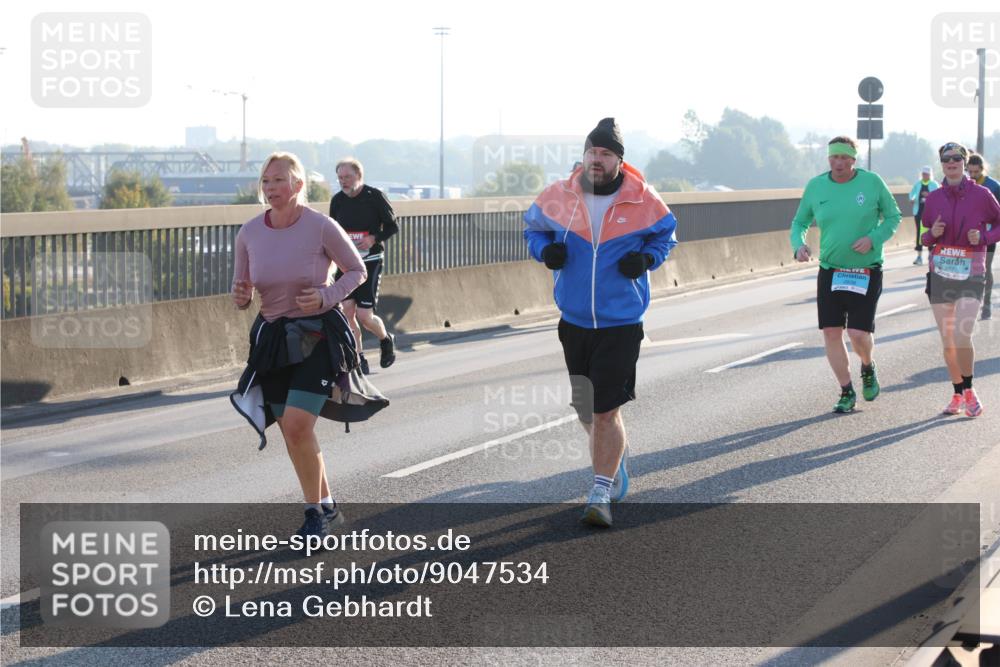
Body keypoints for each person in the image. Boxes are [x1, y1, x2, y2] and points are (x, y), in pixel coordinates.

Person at [524, 118, 677, 527]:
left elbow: (665, 237)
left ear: (619, 160)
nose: (597, 158)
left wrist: (646, 259)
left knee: (606, 410)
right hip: (573, 318)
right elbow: (533, 230)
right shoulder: (559, 195)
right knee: (586, 409)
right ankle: (613, 464)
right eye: (592, 150)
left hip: (621, 320)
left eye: (606, 153)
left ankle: (600, 491)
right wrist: (545, 252)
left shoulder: (644, 198)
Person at [231, 152, 367, 540]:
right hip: (273, 339)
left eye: (278, 180)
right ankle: (328, 508)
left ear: (298, 185)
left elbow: (357, 270)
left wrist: (328, 296)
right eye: (265, 182)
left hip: (317, 335)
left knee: (296, 424)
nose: (271, 188)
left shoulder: (321, 226)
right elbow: (242, 295)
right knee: (295, 434)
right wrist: (240, 295)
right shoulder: (249, 233)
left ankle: (314, 516)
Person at [790, 136, 902, 414]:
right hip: (831, 270)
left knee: (857, 333)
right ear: (828, 159)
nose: (838, 163)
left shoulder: (872, 182)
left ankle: (867, 365)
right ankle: (846, 390)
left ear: (854, 159)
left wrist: (873, 239)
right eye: (833, 157)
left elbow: (893, 217)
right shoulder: (816, 186)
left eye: (844, 158)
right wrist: (798, 245)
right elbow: (799, 221)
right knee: (831, 332)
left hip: (865, 270)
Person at [921, 142, 1000, 417]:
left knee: (961, 333)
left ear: (965, 163)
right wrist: (934, 233)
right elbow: (925, 237)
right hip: (941, 272)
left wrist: (986, 238)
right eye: (946, 159)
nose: (951, 162)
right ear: (941, 163)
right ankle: (958, 393)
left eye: (956, 158)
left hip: (971, 271)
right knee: (948, 341)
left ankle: (969, 388)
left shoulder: (982, 194)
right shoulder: (933, 198)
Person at [330, 158, 400, 374]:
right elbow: (333, 232)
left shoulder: (374, 196)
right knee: (347, 311)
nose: (343, 181)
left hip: (370, 262)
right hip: (345, 264)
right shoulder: (337, 201)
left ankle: (385, 339)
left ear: (359, 176)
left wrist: (373, 239)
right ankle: (358, 357)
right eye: (340, 178)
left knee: (364, 316)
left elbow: (393, 226)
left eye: (347, 177)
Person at [966, 153, 1000, 320]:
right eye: (970, 172)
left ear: (982, 169)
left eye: (976, 172)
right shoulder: (963, 185)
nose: (972, 176)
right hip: (967, 237)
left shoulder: (994, 186)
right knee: (968, 270)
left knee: (985, 268)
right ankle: (971, 304)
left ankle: (986, 304)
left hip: (987, 236)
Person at [909, 165, 939, 265]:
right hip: (918, 212)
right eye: (923, 174)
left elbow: (939, 196)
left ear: (930, 175)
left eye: (926, 174)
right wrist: (912, 198)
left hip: (931, 214)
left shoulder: (934, 184)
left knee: (931, 233)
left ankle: (931, 255)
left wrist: (929, 195)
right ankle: (919, 257)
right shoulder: (918, 184)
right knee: (919, 233)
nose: (924, 176)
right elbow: (912, 193)